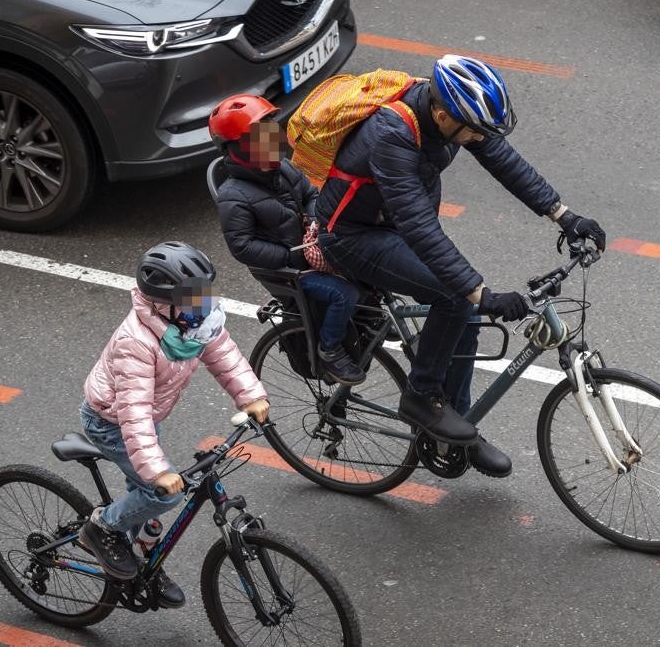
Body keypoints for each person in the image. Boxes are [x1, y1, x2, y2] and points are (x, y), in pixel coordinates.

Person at [315, 55, 607, 478]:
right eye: (472, 131)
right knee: (457, 296)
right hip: (353, 236)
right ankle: (422, 396)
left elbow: (506, 163)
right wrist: (480, 293)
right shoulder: (392, 133)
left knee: (465, 307)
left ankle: (459, 428)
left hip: (392, 224)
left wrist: (564, 215)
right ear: (440, 115)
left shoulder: (454, 115)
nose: (476, 138)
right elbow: (417, 225)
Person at [75, 241, 270, 607]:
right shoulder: (136, 342)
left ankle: (141, 559)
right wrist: (156, 472)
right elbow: (132, 411)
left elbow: (224, 355)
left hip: (147, 419)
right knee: (162, 493)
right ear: (162, 305)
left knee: (150, 496)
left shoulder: (192, 323)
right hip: (112, 421)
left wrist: (250, 396)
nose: (204, 303)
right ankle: (101, 528)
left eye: (204, 293)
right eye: (193, 297)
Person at [207, 94, 366, 385]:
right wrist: (291, 255)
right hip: (289, 272)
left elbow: (310, 195)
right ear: (237, 148)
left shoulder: (283, 168)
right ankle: (330, 351)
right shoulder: (233, 196)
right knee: (342, 293)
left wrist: (313, 220)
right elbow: (242, 247)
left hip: (312, 247)